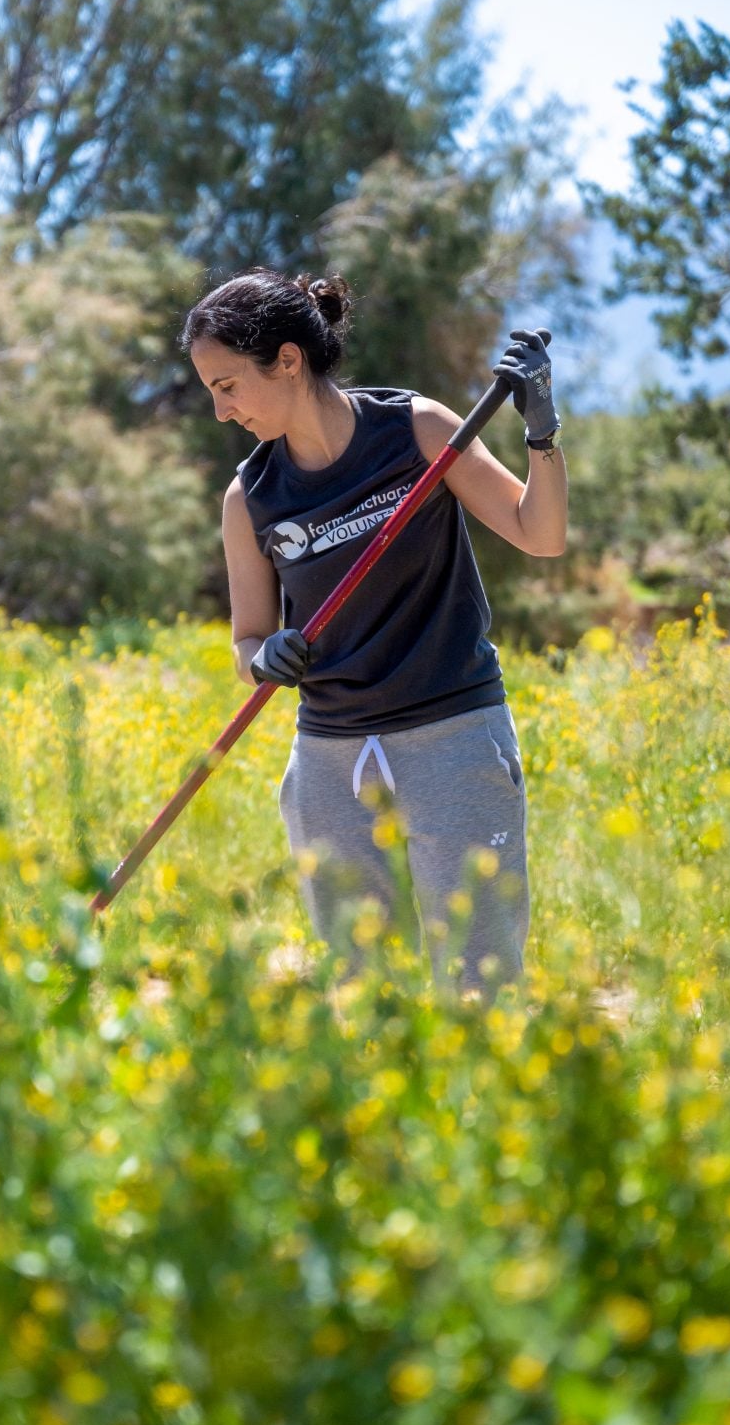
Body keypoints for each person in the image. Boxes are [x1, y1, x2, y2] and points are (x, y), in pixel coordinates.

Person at [180, 268, 567, 1004]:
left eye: (227, 385)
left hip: (452, 739)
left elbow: (539, 535)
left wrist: (540, 432)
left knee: (477, 983)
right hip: (330, 763)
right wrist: (263, 659)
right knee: (364, 992)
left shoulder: (414, 429)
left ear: (287, 360)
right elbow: (246, 642)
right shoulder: (250, 498)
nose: (220, 411)